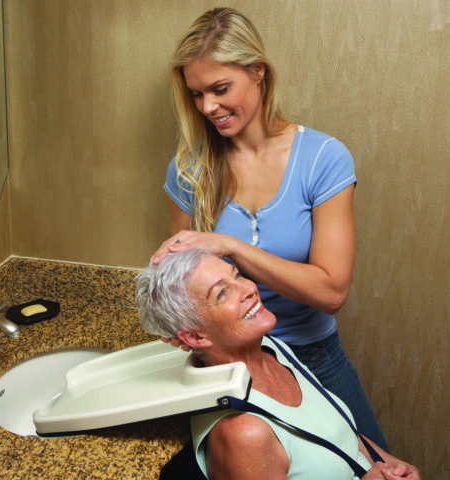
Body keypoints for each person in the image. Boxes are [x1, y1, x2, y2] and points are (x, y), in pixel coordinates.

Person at [150, 7, 388, 450]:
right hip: (227, 363)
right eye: (197, 94)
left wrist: (230, 246)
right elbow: (181, 285)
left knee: (376, 463)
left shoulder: (323, 158)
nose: (208, 107)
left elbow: (331, 292)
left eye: (221, 89)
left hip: (314, 354)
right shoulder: (188, 170)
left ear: (258, 72)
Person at [137, 250, 419, 480]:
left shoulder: (272, 347)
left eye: (235, 275)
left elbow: (336, 434)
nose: (248, 288)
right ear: (195, 336)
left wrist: (392, 465)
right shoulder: (244, 434)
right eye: (222, 293)